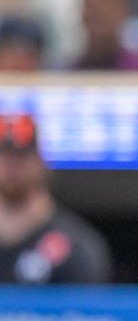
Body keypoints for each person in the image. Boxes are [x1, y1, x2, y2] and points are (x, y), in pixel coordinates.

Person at [0, 114, 111, 283]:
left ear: (40, 161)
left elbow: (88, 307)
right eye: (4, 155)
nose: (12, 166)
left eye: (21, 156)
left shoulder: (75, 246)